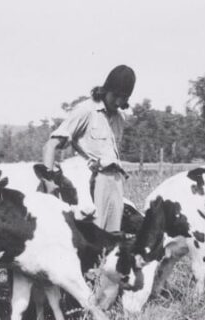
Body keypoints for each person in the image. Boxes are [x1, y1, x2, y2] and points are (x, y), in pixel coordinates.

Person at [42, 64, 136, 232]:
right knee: (93, 239)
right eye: (115, 95)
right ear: (106, 89)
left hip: (115, 181)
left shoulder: (120, 118)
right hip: (93, 183)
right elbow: (51, 145)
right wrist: (48, 182)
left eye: (124, 97)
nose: (118, 102)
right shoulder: (86, 111)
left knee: (113, 239)